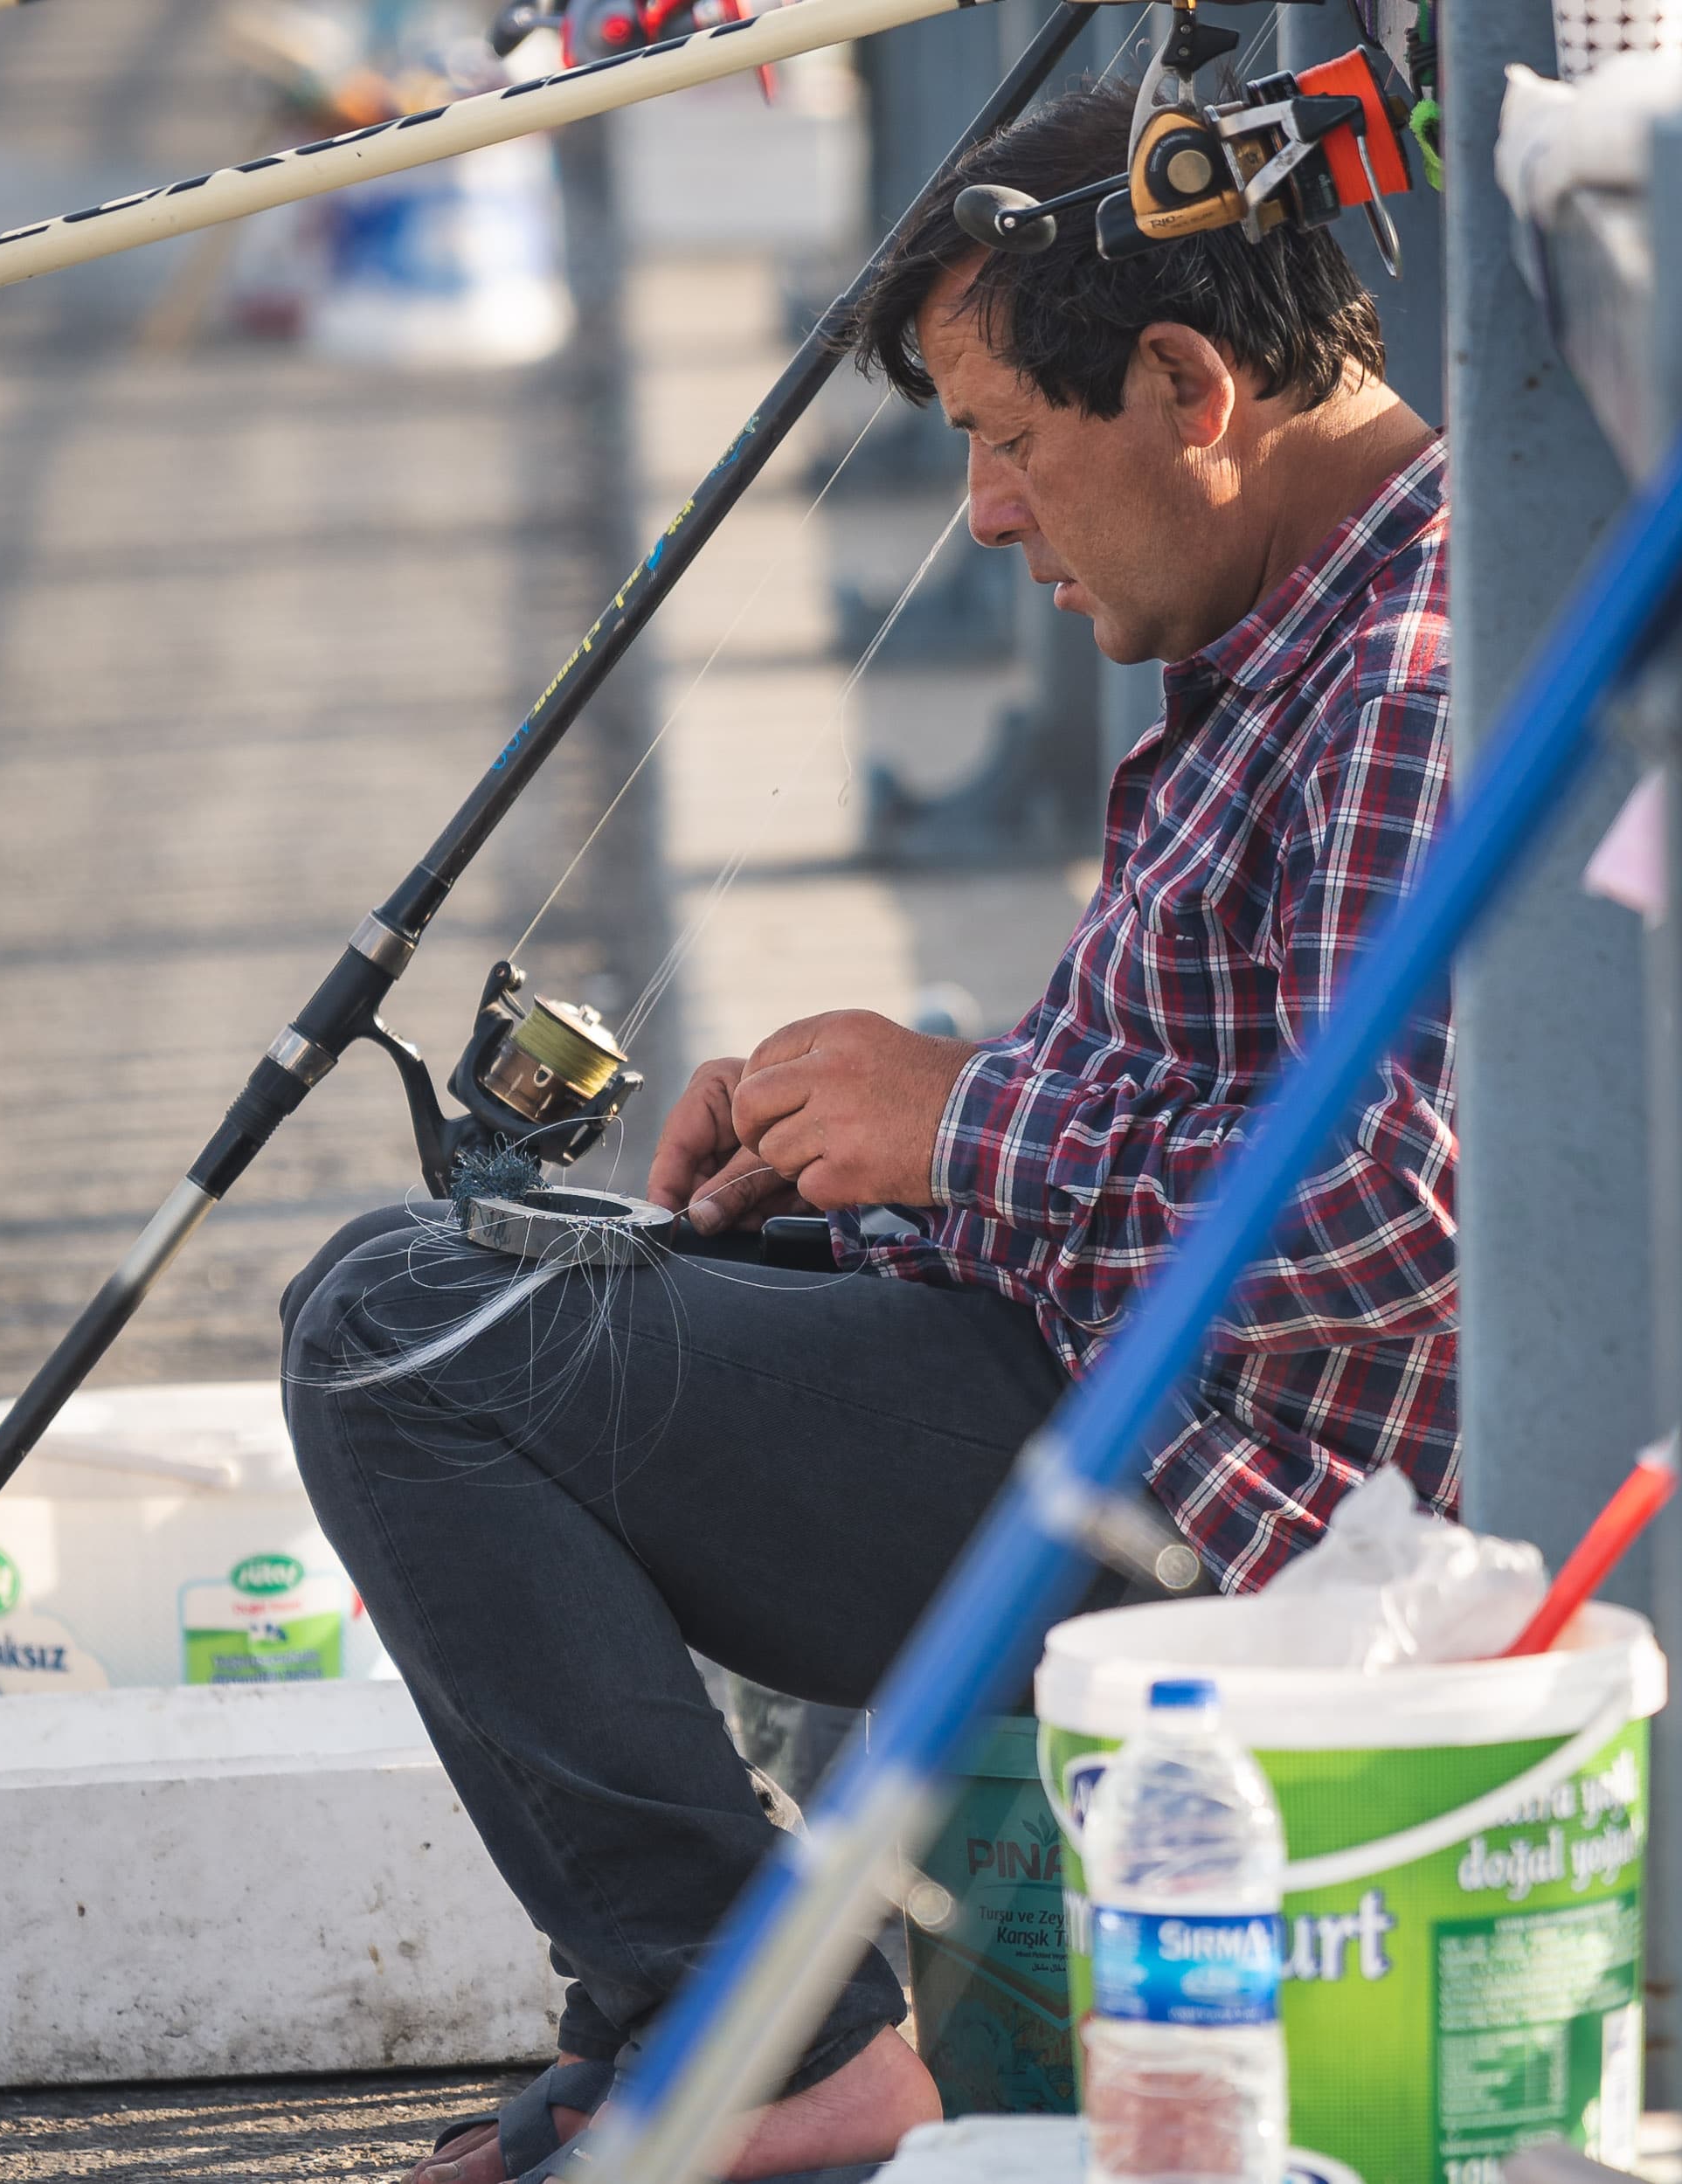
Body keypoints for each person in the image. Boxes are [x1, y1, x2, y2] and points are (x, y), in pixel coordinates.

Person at [281, 73, 1456, 2184]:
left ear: (1187, 384)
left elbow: (1393, 1218)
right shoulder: (1289, 624)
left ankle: (773, 2045)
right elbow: (1230, 1096)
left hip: (1213, 1506)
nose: (989, 514)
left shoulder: (1408, 674)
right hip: (1082, 1372)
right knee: (472, 1275)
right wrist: (867, 1132)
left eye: (1007, 440)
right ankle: (678, 2017)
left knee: (399, 1336)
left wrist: (966, 1123)